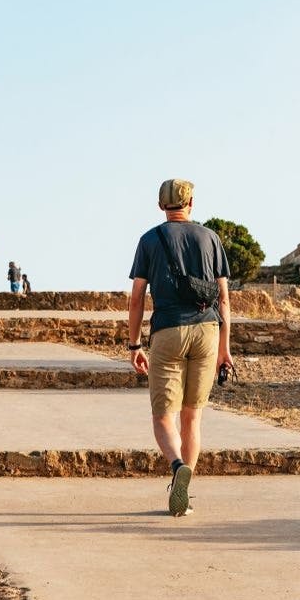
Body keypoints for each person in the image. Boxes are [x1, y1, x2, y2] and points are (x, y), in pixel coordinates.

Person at [128, 179, 232, 517]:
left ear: (161, 205)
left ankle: (176, 468)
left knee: (162, 416)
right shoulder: (211, 238)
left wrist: (134, 344)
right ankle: (182, 492)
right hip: (207, 330)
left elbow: (137, 299)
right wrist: (225, 348)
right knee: (193, 416)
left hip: (168, 330)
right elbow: (224, 298)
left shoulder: (149, 240)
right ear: (191, 203)